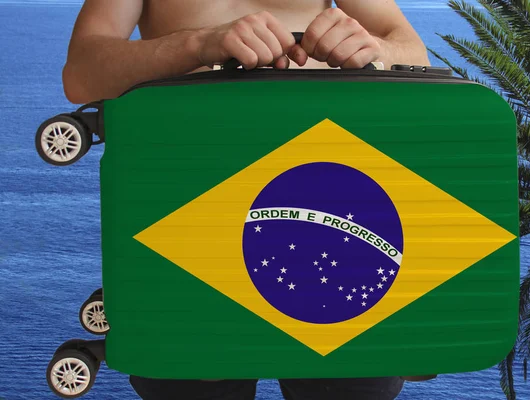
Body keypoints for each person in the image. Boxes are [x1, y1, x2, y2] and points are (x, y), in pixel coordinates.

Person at [63, 1, 436, 398]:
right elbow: (82, 75)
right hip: (192, 224)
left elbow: (413, 54)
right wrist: (197, 44)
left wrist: (377, 51)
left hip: (331, 216)